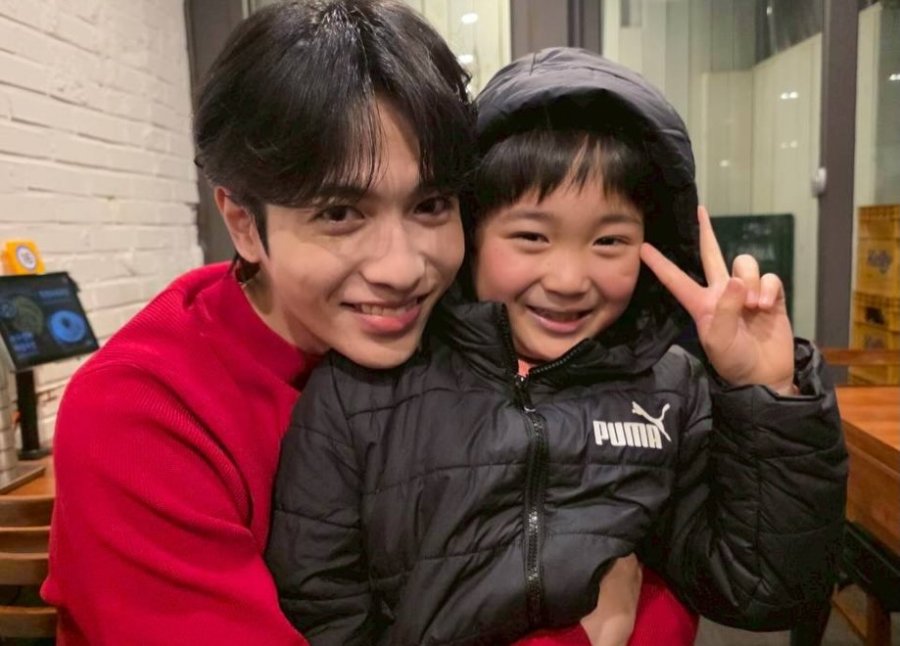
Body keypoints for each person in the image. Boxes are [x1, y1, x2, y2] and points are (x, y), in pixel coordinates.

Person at [40, 4, 667, 645]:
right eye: (339, 213)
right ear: (244, 224)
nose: (402, 269)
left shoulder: (478, 338)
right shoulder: (142, 413)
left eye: (431, 205)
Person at [265, 47, 848, 645]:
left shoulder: (672, 390)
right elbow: (320, 617)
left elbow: (762, 590)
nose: (569, 280)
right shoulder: (359, 390)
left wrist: (767, 392)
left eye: (609, 241)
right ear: (470, 233)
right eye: (531, 236)